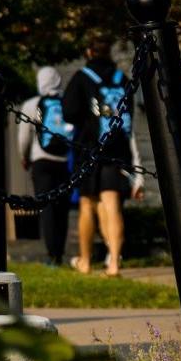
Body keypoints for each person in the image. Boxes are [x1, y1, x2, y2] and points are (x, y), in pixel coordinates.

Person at [62, 39, 138, 276]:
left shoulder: (81, 78)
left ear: (89, 51)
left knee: (87, 205)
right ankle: (114, 261)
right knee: (112, 205)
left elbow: (69, 113)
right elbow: (130, 114)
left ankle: (85, 260)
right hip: (117, 150)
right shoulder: (121, 78)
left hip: (89, 149)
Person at [17, 65, 75, 266]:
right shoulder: (67, 103)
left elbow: (24, 136)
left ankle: (52, 255)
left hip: (41, 161)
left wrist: (24, 157)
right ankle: (59, 251)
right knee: (62, 209)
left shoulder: (32, 104)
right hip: (63, 161)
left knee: (47, 208)